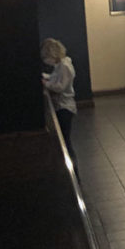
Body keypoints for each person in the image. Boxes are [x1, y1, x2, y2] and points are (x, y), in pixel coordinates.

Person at [41, 38, 78, 171]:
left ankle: (73, 171)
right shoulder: (61, 65)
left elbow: (60, 86)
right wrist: (46, 77)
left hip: (65, 107)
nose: (46, 60)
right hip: (62, 105)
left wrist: (46, 84)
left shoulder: (65, 66)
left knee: (66, 141)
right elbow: (55, 77)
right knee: (65, 140)